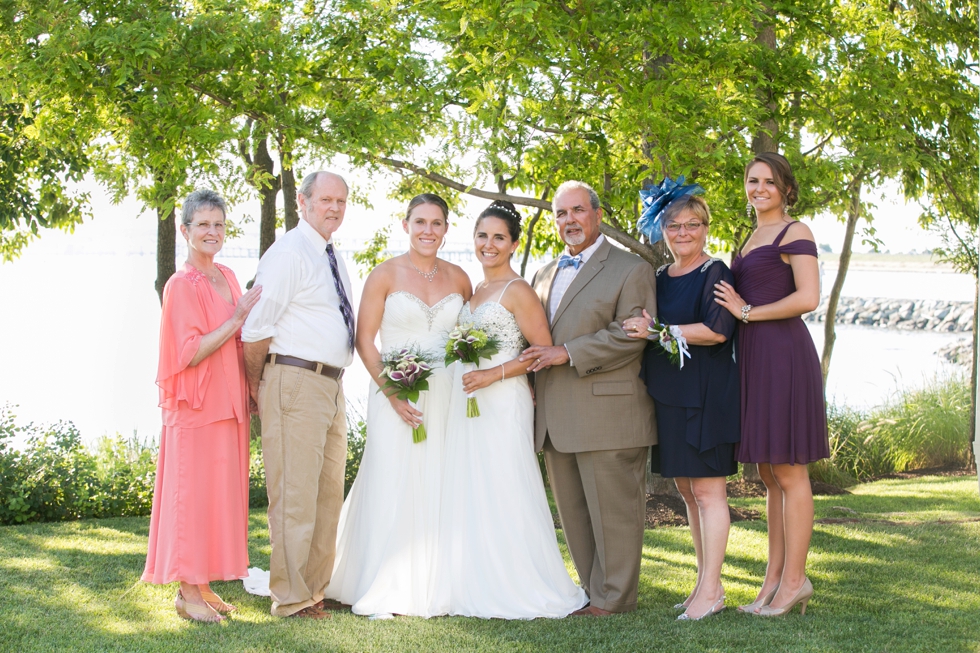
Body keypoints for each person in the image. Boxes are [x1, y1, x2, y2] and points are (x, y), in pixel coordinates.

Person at [433, 201, 588, 619]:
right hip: (468, 402)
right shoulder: (474, 291)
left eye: (499, 237)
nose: (489, 244)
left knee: (505, 484)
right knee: (473, 486)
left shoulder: (517, 290)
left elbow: (541, 352)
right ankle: (474, 577)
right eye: (482, 235)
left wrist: (493, 375)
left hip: (503, 400)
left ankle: (518, 581)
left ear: (514, 244)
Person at [324, 193, 471, 618]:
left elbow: (465, 341)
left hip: (446, 392)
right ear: (406, 225)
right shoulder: (384, 275)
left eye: (437, 223)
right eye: (420, 221)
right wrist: (392, 392)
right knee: (392, 474)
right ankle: (380, 577)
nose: (428, 230)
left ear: (446, 228)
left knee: (439, 476)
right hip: (393, 391)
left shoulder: (461, 279)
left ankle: (436, 578)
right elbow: (364, 341)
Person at [521, 181, 657, 616]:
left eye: (577, 211)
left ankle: (615, 599)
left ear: (597, 215)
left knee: (614, 515)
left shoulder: (630, 268)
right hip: (554, 416)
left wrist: (567, 352)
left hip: (608, 412)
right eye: (561, 214)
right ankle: (592, 592)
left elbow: (630, 335)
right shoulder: (544, 273)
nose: (569, 221)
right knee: (576, 518)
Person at [714, 152, 828, 617]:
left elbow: (809, 297)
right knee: (767, 473)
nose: (758, 188)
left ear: (785, 188)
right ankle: (773, 580)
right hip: (755, 358)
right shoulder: (751, 235)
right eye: (751, 180)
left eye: (768, 181)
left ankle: (796, 581)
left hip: (783, 354)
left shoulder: (795, 232)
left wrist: (745, 312)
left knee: (789, 469)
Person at [142, 189, 262, 622]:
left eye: (219, 225)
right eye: (204, 225)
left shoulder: (228, 276)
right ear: (185, 230)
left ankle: (203, 584)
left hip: (227, 404)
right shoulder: (180, 284)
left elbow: (239, 341)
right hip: (195, 407)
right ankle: (186, 593)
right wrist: (236, 319)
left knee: (218, 495)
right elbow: (188, 352)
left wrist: (252, 389)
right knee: (191, 496)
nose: (213, 232)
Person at [241, 171, 355, 620]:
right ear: (302, 203)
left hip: (331, 384)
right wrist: (256, 385)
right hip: (294, 380)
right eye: (326, 199)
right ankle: (290, 598)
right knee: (294, 495)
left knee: (327, 495)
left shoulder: (329, 254)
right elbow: (255, 329)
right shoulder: (288, 253)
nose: (334, 208)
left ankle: (313, 591)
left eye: (341, 201)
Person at [623, 191, 739, 621]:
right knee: (688, 493)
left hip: (706, 394)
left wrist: (658, 331)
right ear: (662, 231)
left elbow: (717, 330)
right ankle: (703, 585)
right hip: (670, 395)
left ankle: (711, 591)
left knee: (709, 492)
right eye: (675, 226)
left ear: (706, 229)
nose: (684, 232)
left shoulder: (716, 271)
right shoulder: (659, 275)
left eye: (693, 224)